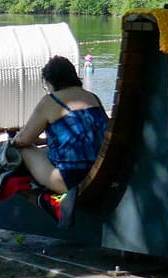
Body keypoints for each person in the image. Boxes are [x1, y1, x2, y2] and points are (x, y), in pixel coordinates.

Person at [9, 56, 109, 193]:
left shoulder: (51, 100)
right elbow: (84, 136)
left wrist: (13, 140)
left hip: (69, 180)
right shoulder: (92, 98)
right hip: (100, 172)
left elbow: (22, 140)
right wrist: (43, 141)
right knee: (46, 148)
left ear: (51, 82)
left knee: (23, 149)